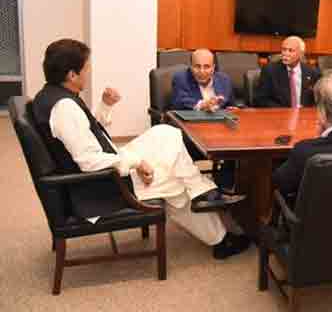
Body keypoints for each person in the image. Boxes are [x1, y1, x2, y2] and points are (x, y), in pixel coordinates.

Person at [32, 39, 249, 259]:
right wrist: (136, 162)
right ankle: (220, 238)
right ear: (72, 75)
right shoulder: (65, 108)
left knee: (166, 132)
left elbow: (87, 132)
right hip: (101, 185)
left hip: (108, 161)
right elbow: (88, 160)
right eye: (87, 68)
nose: (89, 72)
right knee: (176, 182)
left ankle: (202, 190)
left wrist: (105, 105)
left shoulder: (53, 96)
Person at [171, 49, 238, 189]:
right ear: (191, 66)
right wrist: (202, 105)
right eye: (197, 66)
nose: (202, 71)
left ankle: (225, 185)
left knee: (238, 142)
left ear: (213, 67)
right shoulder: (180, 78)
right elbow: (180, 101)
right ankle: (192, 186)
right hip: (192, 131)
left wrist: (233, 108)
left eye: (206, 67)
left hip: (220, 131)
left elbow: (231, 104)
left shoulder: (224, 80)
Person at [255, 36, 320, 107]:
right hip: (280, 112)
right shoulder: (270, 70)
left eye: (290, 50)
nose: (286, 54)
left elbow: (317, 100)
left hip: (304, 113)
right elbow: (261, 99)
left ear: (301, 54)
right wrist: (285, 111)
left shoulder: (312, 72)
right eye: (284, 50)